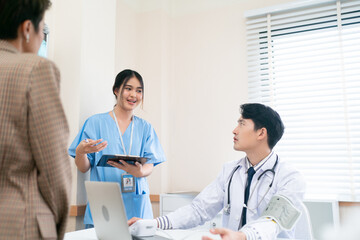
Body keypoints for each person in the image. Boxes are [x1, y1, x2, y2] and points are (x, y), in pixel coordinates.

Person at [129, 103, 306, 239]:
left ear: (261, 133)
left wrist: (243, 236)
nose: (234, 130)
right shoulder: (230, 170)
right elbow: (198, 210)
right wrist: (154, 223)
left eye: (242, 124)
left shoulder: (290, 178)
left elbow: (273, 221)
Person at [0, 0, 72, 239]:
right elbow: (55, 170)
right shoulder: (35, 69)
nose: (42, 37)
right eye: (43, 30)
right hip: (20, 222)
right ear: (27, 28)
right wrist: (56, 225)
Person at [68, 69, 166, 228]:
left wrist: (140, 172)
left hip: (137, 208)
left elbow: (151, 164)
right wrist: (80, 152)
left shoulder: (145, 128)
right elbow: (83, 167)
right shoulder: (95, 123)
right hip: (105, 205)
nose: (134, 95)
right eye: (128, 89)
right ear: (116, 90)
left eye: (139, 90)